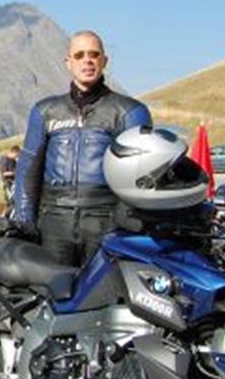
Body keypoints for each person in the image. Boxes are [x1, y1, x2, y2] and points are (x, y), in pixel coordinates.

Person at [11, 30, 152, 267]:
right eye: (79, 55)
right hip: (53, 222)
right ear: (68, 62)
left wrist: (126, 223)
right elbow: (28, 168)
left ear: (104, 61)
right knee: (51, 288)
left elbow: (141, 174)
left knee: (106, 290)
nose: (87, 60)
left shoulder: (129, 111)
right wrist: (24, 219)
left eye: (94, 54)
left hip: (105, 222)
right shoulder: (46, 111)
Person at [0, 145, 21, 209]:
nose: (17, 157)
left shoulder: (13, 160)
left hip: (14, 182)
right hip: (8, 183)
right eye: (17, 155)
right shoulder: (4, 159)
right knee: (11, 201)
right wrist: (15, 173)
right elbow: (4, 173)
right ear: (14, 152)